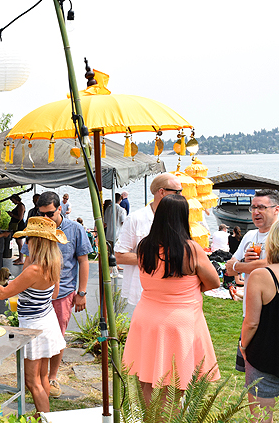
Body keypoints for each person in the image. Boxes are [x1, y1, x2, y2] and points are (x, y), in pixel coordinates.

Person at [123, 195, 221, 404]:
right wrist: (190, 288)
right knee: (175, 385)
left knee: (146, 376)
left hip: (146, 318)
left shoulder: (144, 246)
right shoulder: (190, 249)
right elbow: (214, 282)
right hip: (179, 321)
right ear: (184, 217)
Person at [0, 217, 66, 414]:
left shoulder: (34, 270)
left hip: (34, 326)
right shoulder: (53, 264)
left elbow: (2, 293)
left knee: (32, 382)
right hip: (47, 320)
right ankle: (43, 420)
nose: (26, 243)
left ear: (36, 242)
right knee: (42, 377)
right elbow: (54, 294)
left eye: (29, 239)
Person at [26, 191, 92, 398]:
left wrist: (81, 292)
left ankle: (52, 377)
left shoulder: (75, 229)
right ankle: (38, 378)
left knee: (57, 337)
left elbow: (83, 261)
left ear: (60, 209)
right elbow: (29, 258)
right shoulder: (37, 227)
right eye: (42, 214)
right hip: (36, 292)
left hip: (62, 292)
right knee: (36, 337)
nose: (46, 218)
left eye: (50, 214)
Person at [226, 189, 279, 372]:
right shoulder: (250, 236)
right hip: (249, 312)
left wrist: (240, 266)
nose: (256, 212)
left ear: (276, 209)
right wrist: (243, 264)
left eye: (261, 207)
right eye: (253, 208)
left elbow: (272, 263)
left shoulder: (276, 236)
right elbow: (229, 267)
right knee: (251, 369)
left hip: (272, 311)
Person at [115, 173, 183, 307]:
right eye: (177, 192)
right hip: (144, 290)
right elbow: (119, 256)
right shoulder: (136, 219)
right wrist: (158, 259)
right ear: (162, 192)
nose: (181, 196)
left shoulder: (178, 218)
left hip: (174, 288)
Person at [240, 220, 279, 423]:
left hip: (265, 354)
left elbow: (252, 322)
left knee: (262, 422)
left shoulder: (262, 275)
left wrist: (243, 345)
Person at [8, 194, 27, 265]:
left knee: (19, 242)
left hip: (19, 226)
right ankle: (20, 257)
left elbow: (20, 217)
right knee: (18, 241)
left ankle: (21, 259)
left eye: (13, 200)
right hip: (17, 225)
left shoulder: (21, 206)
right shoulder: (18, 206)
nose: (12, 202)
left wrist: (12, 215)